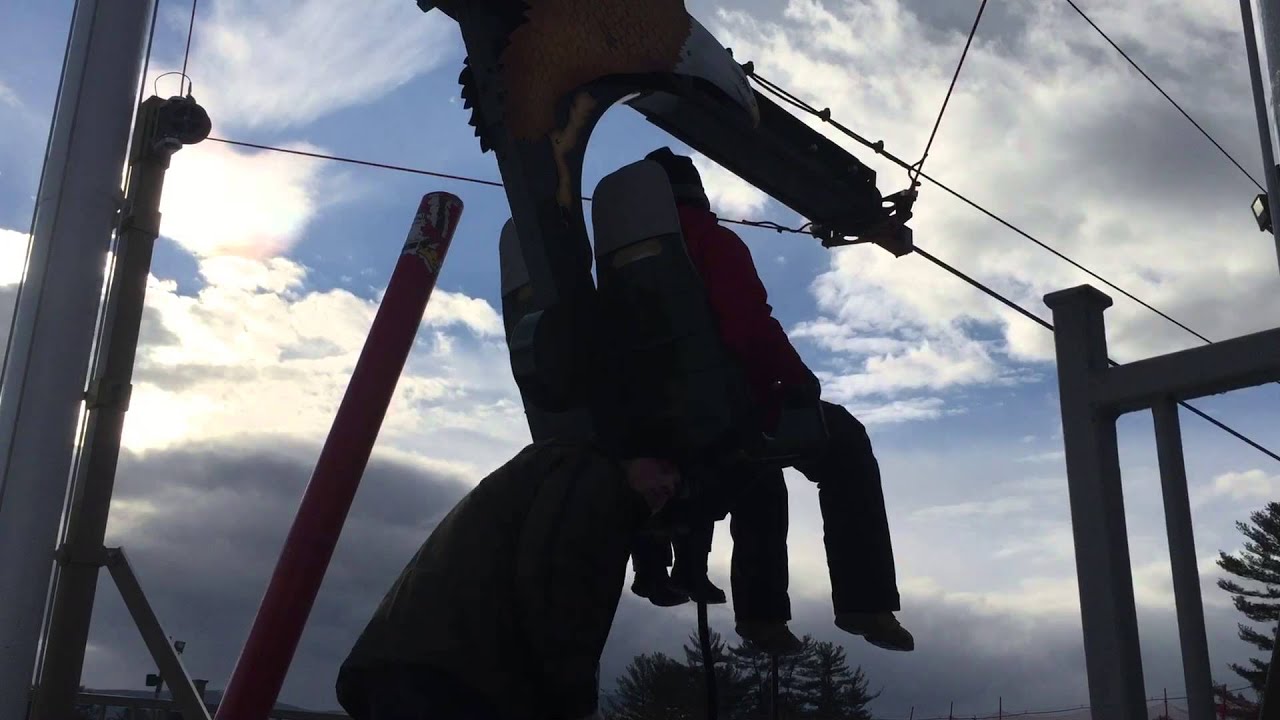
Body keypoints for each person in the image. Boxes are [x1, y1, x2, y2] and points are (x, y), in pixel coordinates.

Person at [640, 146, 915, 653]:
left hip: (659, 417)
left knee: (759, 471)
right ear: (696, 195)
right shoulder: (710, 242)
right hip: (723, 406)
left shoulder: (619, 259)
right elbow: (749, 328)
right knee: (845, 441)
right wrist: (798, 380)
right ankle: (866, 603)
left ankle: (764, 619)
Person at [336, 441, 681, 720]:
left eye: (675, 486)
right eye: (664, 470)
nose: (667, 487)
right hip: (451, 679)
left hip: (423, 665)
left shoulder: (559, 473)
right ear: (627, 454)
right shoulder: (594, 481)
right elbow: (559, 588)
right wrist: (577, 702)